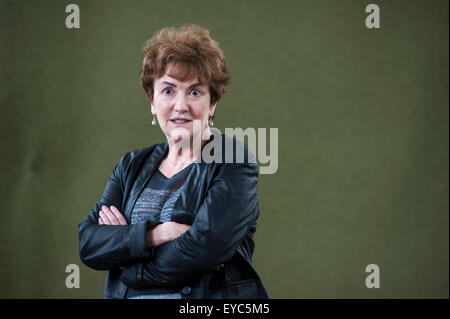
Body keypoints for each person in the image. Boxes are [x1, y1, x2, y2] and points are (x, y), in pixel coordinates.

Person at [78, 24, 269, 299]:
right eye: (168, 91)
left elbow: (203, 249)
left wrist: (128, 265)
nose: (181, 105)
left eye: (194, 92)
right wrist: (155, 234)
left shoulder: (234, 160)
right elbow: (89, 243)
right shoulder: (131, 165)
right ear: (152, 102)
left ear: (212, 103)